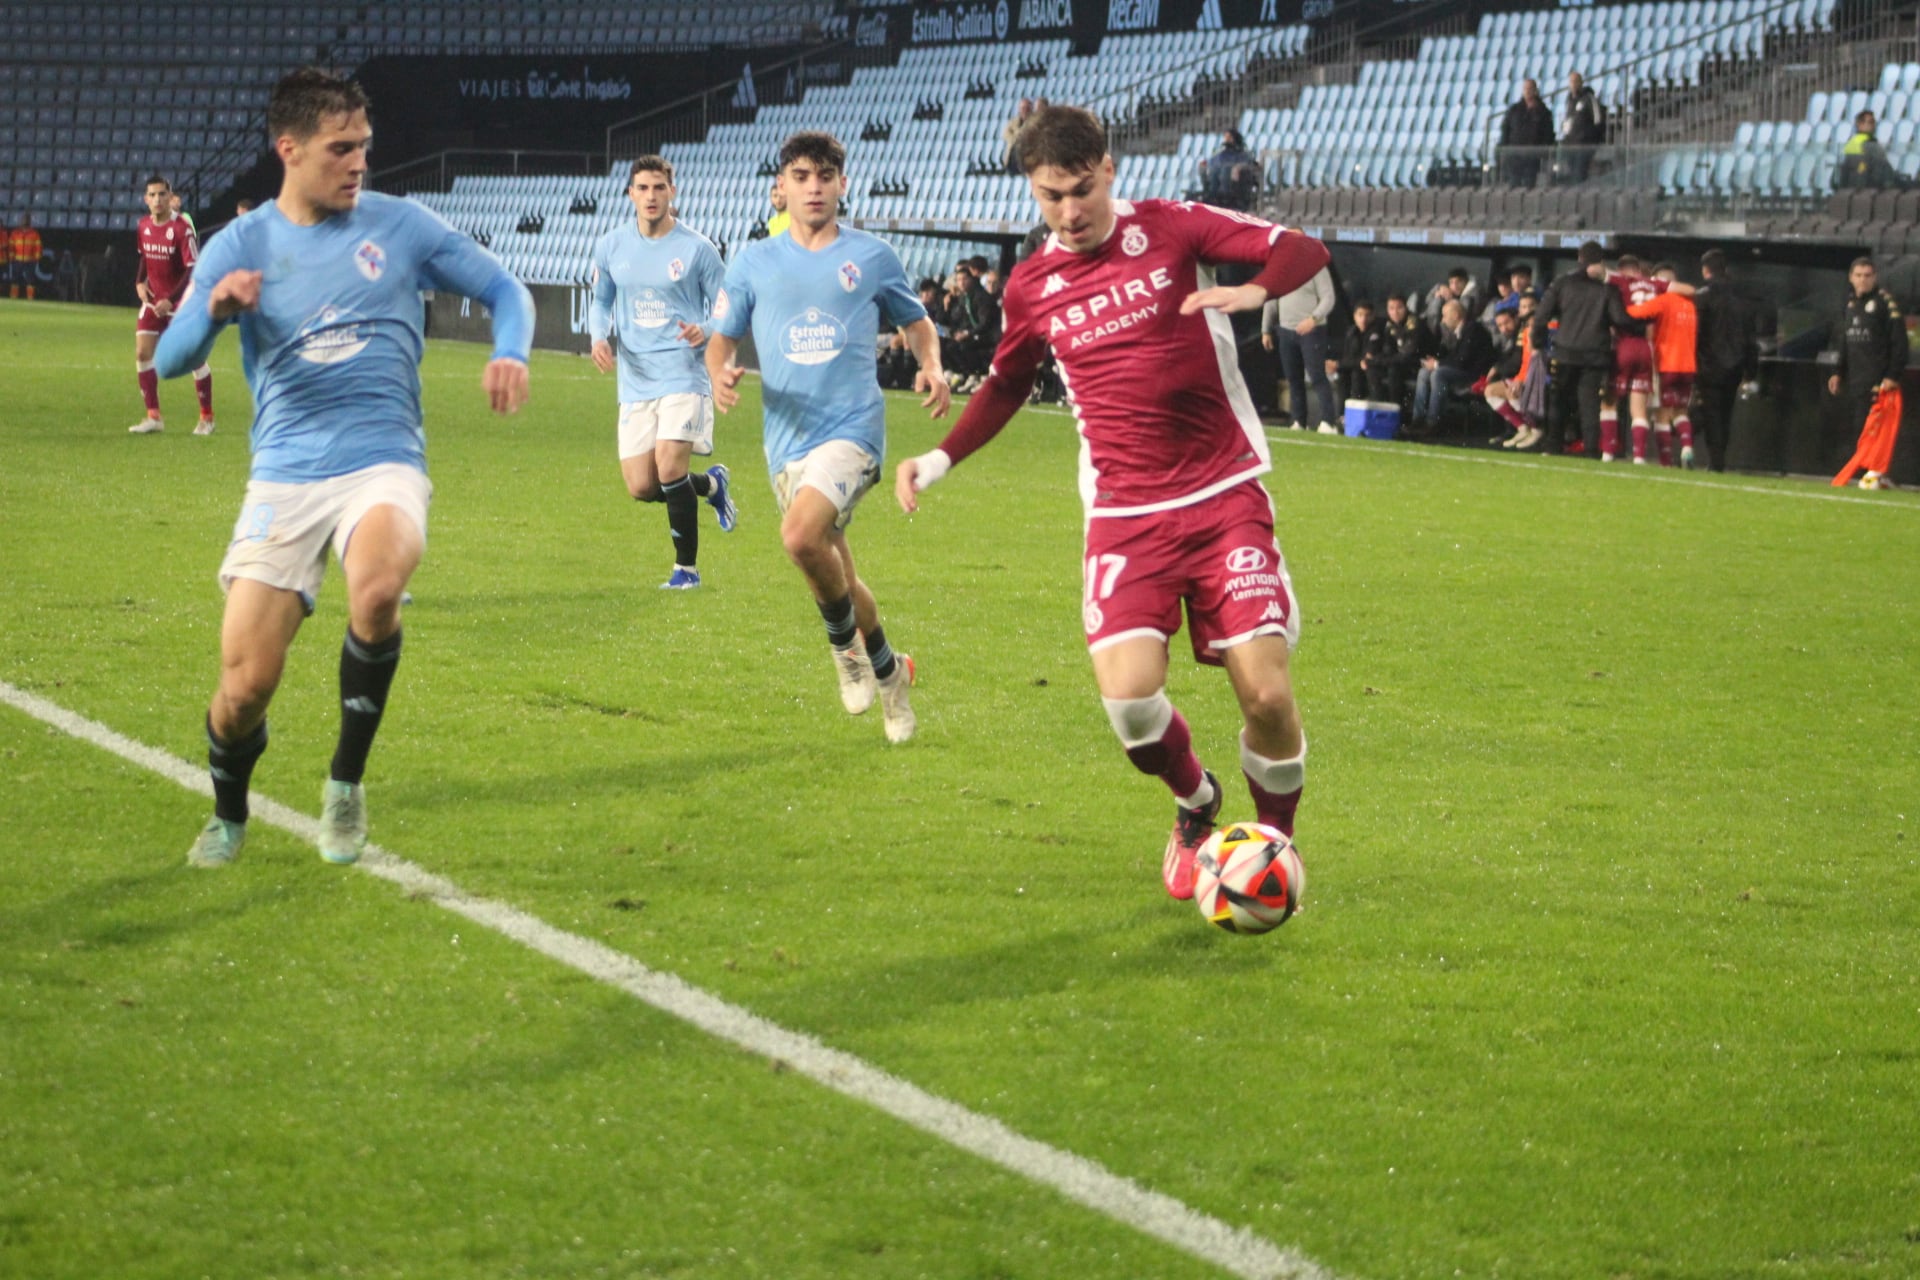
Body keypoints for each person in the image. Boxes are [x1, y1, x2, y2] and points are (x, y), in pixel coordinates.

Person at [893, 104, 1331, 902]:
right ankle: (1197, 805)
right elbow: (1007, 384)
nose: (1069, 210)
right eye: (1051, 196)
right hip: (1126, 515)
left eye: (1082, 189)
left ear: (1110, 169)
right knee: (1131, 703)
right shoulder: (1030, 286)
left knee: (1266, 693)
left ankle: (1272, 846)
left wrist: (1253, 291)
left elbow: (1303, 249)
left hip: (1224, 492)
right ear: (1033, 190)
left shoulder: (1173, 228)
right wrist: (938, 458)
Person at [153, 68, 533, 869]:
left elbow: (505, 287)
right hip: (286, 474)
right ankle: (228, 814)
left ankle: (345, 782)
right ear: (287, 149)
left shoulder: (401, 226)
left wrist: (510, 351)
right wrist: (219, 310)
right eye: (340, 148)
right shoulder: (240, 245)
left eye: (364, 145)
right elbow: (176, 351)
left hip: (381, 458)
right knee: (244, 688)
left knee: (380, 582)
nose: (359, 162)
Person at [704, 130, 948, 744]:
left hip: (853, 431)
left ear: (843, 183)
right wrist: (718, 375)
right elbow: (721, 340)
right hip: (786, 440)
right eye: (802, 176)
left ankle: (844, 651)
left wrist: (932, 364)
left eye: (825, 176)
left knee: (799, 535)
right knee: (831, 570)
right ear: (780, 187)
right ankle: (890, 672)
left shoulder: (871, 257)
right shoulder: (754, 260)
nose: (814, 187)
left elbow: (917, 323)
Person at [588, 154, 736, 590]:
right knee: (641, 485)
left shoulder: (698, 249)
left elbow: (728, 306)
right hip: (635, 380)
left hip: (683, 373)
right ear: (630, 193)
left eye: (659, 187)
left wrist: (706, 329)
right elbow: (600, 301)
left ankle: (686, 570)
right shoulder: (611, 246)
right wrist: (599, 337)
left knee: (670, 465)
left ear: (673, 191)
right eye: (643, 188)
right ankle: (710, 486)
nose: (651, 196)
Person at [1531, 242, 1640, 455]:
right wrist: (1642, 326)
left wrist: (1538, 343)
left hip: (1564, 351)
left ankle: (1553, 446)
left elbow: (1541, 316)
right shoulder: (1608, 289)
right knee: (1589, 403)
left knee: (1558, 400)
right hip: (1595, 355)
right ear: (1600, 261)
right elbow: (1620, 319)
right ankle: (1591, 450)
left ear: (1579, 258)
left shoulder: (1562, 283)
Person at [129, 175, 217, 435]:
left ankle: (207, 417)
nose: (157, 200)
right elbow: (145, 256)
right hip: (154, 300)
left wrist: (172, 299)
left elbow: (192, 268)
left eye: (161, 194)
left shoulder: (181, 229)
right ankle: (153, 417)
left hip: (181, 303)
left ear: (170, 197)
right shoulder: (143, 225)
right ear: (146, 199)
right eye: (152, 195)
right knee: (143, 354)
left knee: (193, 359)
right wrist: (138, 282)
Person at [1826, 256, 1907, 489]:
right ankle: (1870, 475)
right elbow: (1845, 341)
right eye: (1858, 275)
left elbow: (1899, 342)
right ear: (1851, 278)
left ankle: (1876, 474)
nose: (1863, 280)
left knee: (1875, 428)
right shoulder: (1851, 304)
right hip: (1856, 378)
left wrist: (1892, 375)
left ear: (1875, 277)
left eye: (1867, 275)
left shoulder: (1884, 303)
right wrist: (1837, 371)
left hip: (1878, 380)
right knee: (1860, 427)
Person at [1690, 248, 1760, 472]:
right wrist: (1750, 369)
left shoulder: (1704, 296)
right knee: (1725, 413)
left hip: (1709, 363)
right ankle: (1718, 459)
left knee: (1711, 412)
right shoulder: (1743, 297)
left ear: (1705, 270)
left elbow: (1697, 333)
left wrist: (1694, 361)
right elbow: (1751, 337)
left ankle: (1715, 460)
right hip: (1736, 365)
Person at [1625, 262, 1699, 466]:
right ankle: (1687, 446)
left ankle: (1666, 462)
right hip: (1689, 366)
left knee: (1662, 415)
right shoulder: (1690, 306)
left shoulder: (1663, 301)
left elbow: (1634, 313)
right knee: (1681, 411)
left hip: (1666, 363)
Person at [1261, 266, 1339, 433]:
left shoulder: (1316, 267)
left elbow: (1328, 297)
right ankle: (1299, 421)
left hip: (1313, 330)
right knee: (1293, 378)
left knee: (1316, 375)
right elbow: (1271, 298)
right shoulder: (1281, 268)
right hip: (1286, 330)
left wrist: (1314, 319)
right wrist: (1266, 329)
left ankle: (1328, 421)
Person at [1602, 253, 1663, 461]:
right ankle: (1639, 456)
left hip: (1624, 345)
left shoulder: (1621, 286)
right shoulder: (1653, 287)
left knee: (1609, 402)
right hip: (1645, 348)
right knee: (1638, 408)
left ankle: (1608, 453)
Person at [1409, 299, 1491, 437]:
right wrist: (1436, 362)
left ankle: (1433, 422)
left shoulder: (1473, 329)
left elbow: (1463, 360)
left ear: (1456, 315)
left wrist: (1437, 364)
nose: (1443, 320)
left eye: (1445, 315)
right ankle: (1418, 419)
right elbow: (1455, 357)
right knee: (1424, 372)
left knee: (1438, 374)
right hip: (1462, 370)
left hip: (1473, 375)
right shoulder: (1461, 331)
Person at [1374, 293, 1429, 407]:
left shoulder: (1415, 323)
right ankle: (1378, 410)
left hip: (1418, 363)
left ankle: (1396, 412)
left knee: (1394, 370)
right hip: (1399, 361)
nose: (1395, 312)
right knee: (1373, 369)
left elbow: (1409, 354)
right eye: (1391, 308)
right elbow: (1387, 350)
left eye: (1399, 307)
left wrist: (1380, 360)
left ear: (1406, 308)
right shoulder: (1389, 325)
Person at [1498, 79, 1554, 188]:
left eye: (1530, 89)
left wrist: (1542, 151)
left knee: (1530, 184)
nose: (1527, 91)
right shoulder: (1514, 110)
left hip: (1532, 157)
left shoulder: (1543, 111)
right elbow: (1506, 129)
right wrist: (1504, 149)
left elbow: (1548, 134)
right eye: (1525, 89)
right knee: (1514, 185)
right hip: (1515, 156)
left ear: (1535, 90)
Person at [1833, 110, 1907, 190]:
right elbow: (1867, 169)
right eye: (1870, 122)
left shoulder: (1854, 144)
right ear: (1859, 125)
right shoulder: (1867, 146)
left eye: (1873, 122)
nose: (1873, 126)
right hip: (1868, 190)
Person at [1559, 71, 1605, 184]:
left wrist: (1592, 141)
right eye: (1571, 81)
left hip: (1584, 145)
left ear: (1581, 83)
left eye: (1576, 81)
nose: (1573, 84)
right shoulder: (1569, 100)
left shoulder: (1589, 99)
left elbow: (1598, 121)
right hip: (1570, 145)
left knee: (1580, 175)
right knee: (1571, 174)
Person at [1199, 128, 1259, 212]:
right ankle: (1212, 197)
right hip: (1219, 179)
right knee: (1214, 171)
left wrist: (1238, 167)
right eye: (1225, 137)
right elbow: (1212, 161)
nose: (1227, 139)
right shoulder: (1221, 153)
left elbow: (1250, 163)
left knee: (1226, 170)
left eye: (1229, 137)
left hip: (1237, 181)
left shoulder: (1243, 153)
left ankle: (1226, 198)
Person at [9, 212, 41, 299]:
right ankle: (13, 297)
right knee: (15, 280)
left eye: (27, 219)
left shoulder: (34, 233)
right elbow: (11, 246)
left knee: (30, 280)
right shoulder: (15, 233)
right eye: (23, 219)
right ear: (20, 221)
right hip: (17, 260)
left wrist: (36, 259)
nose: (25, 221)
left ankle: (30, 298)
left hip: (30, 261)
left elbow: (38, 247)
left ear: (30, 221)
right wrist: (12, 257)